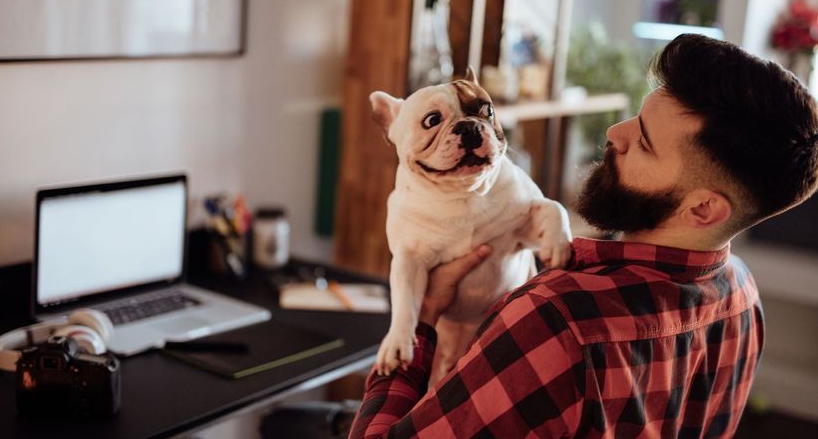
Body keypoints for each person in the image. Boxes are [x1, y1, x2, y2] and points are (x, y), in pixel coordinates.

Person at [348, 34, 818, 439]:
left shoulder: (556, 319)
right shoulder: (742, 297)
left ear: (704, 207)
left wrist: (425, 314)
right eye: (635, 118)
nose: (615, 133)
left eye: (645, 142)